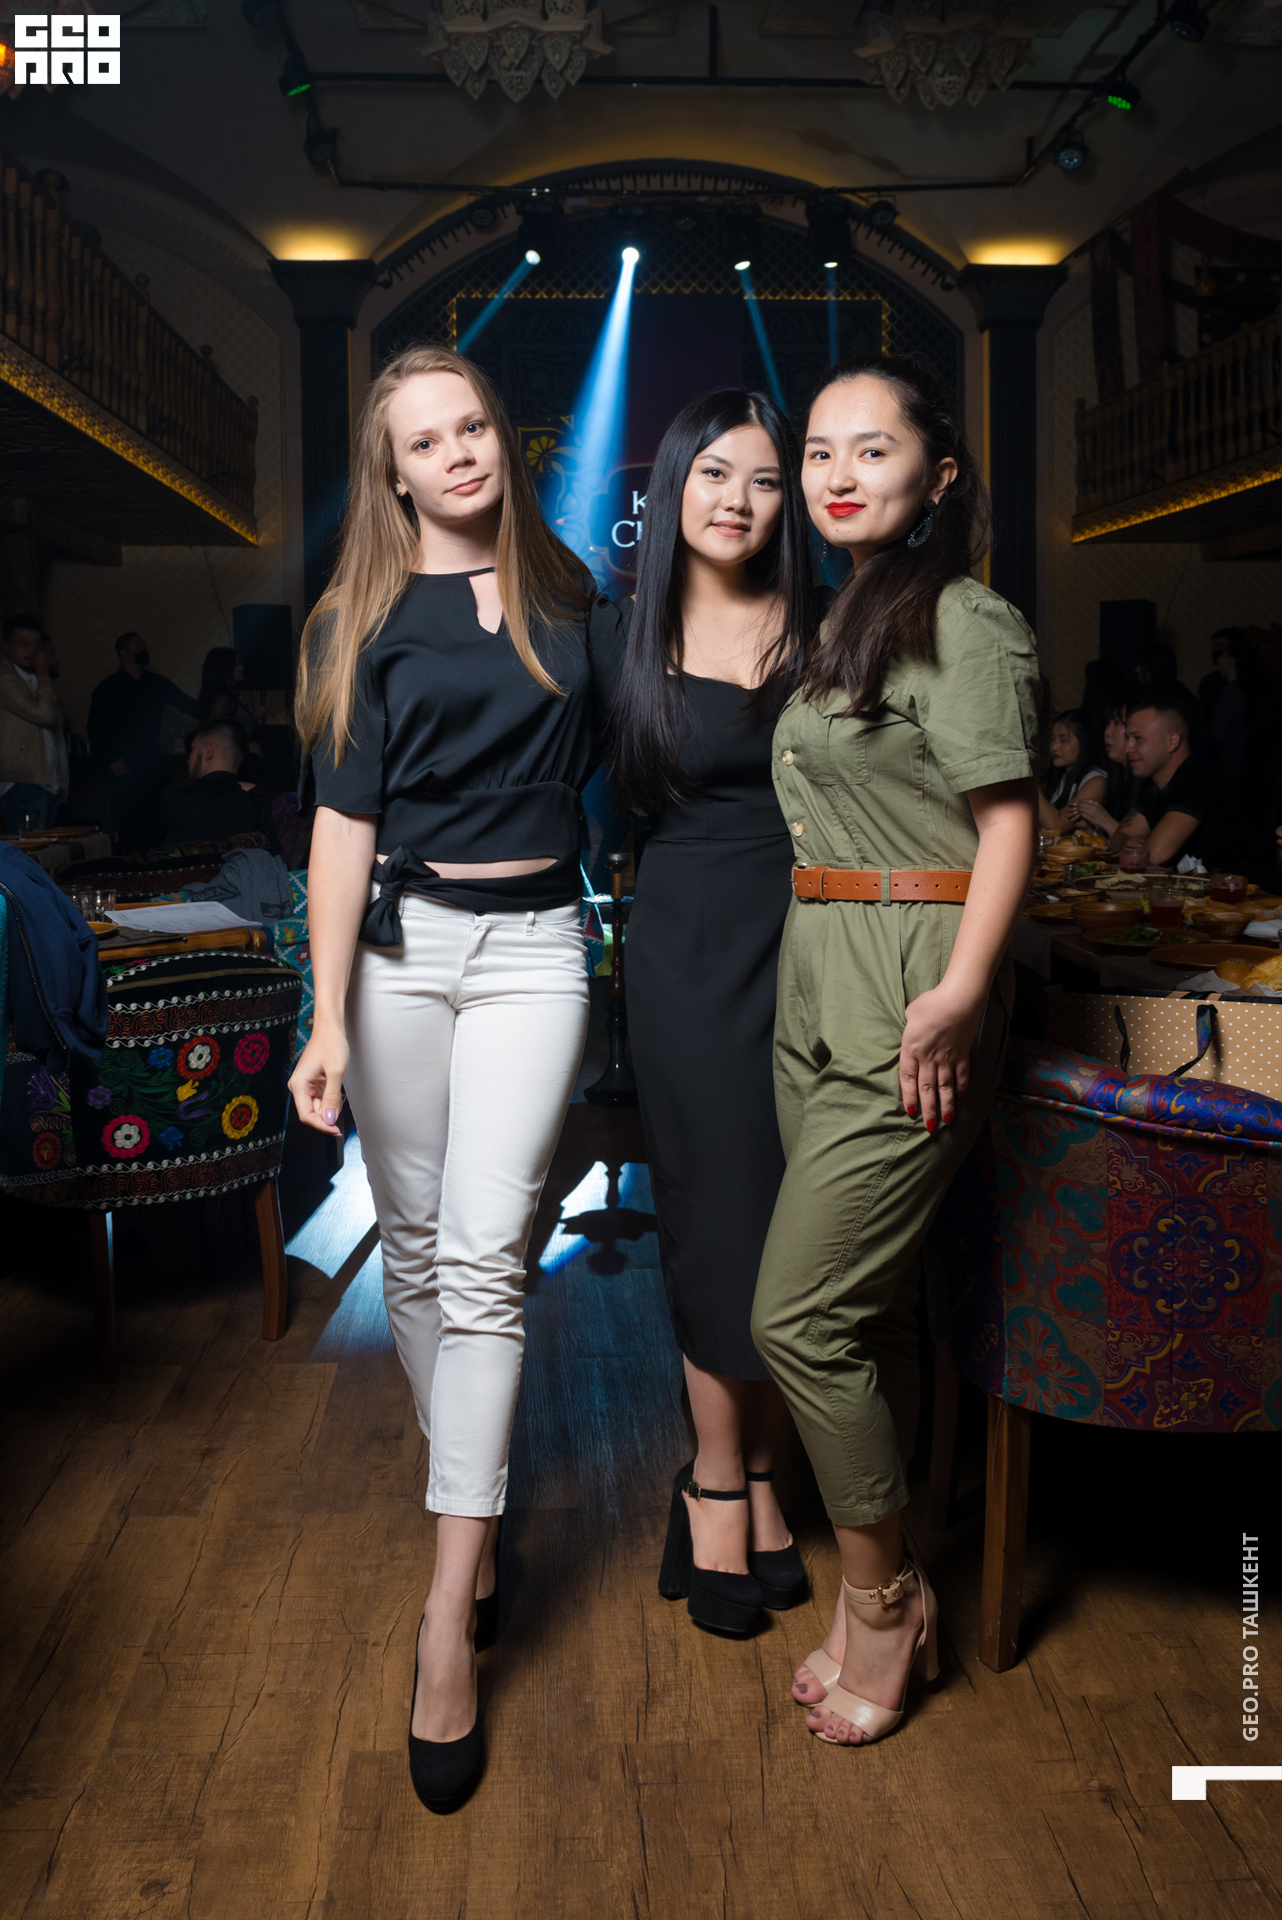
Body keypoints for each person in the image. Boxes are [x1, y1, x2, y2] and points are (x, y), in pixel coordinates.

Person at [288, 343, 620, 1815]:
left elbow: (628, 760)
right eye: (425, 441)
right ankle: (472, 1507)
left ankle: (446, 1610)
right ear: (395, 473)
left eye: (472, 424)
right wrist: (327, 1019)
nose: (457, 452)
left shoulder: (571, 600)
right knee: (417, 1254)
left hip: (539, 949)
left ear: (502, 435)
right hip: (399, 955)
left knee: (487, 1259)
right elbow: (340, 826)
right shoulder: (358, 619)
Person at [750, 356, 1038, 1748]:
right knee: (866, 1311)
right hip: (816, 986)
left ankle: (883, 1602)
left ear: (938, 475)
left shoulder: (965, 619)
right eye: (818, 451)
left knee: (796, 1318)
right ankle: (892, 1562)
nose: (838, 472)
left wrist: (962, 992)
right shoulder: (840, 622)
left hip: (913, 992)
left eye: (872, 448)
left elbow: (1006, 822)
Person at [602, 389, 815, 1638]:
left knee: (793, 1232)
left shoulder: (827, 628)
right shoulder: (616, 637)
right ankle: (720, 1483)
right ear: (672, 486)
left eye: (765, 479)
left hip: (816, 945)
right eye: (714, 473)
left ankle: (762, 1475)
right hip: (685, 949)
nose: (737, 499)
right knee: (715, 1222)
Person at [87, 631, 200, 850]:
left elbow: (189, 705)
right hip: (123, 764)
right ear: (124, 653)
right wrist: (113, 759)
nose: (143, 649)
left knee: (157, 818)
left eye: (143, 645)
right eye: (137, 645)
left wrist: (218, 709)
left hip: (152, 760)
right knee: (127, 822)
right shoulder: (108, 688)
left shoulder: (156, 683)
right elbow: (96, 729)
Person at [1109, 690, 1223, 870]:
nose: (1128, 748)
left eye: (1138, 739)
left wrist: (1136, 849)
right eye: (1128, 739)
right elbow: (1116, 840)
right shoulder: (1152, 785)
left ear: (1172, 741)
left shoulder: (1197, 777)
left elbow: (1156, 855)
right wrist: (1127, 844)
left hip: (1241, 884)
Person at [154, 719, 274, 851]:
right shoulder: (252, 803)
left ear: (208, 751)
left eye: (192, 750)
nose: (188, 760)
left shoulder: (177, 794)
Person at [0, 613, 66, 833]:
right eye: (23, 643)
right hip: (22, 781)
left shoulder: (33, 678)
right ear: (6, 646)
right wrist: (43, 672)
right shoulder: (5, 678)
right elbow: (44, 714)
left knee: (50, 850)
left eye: (36, 644)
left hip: (47, 780)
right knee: (30, 849)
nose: (31, 650)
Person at [1069, 699, 1133, 838]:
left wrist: (1105, 821)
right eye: (1108, 723)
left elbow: (1138, 846)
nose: (1107, 732)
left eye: (1117, 723)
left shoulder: (1149, 786)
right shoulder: (1117, 780)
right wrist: (1091, 829)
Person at [1038, 707, 1105, 834]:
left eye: (1063, 740)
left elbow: (1056, 826)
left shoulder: (1096, 781)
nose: (1055, 747)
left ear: (1085, 743)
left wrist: (1029, 784)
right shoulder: (1063, 776)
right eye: (1052, 739)